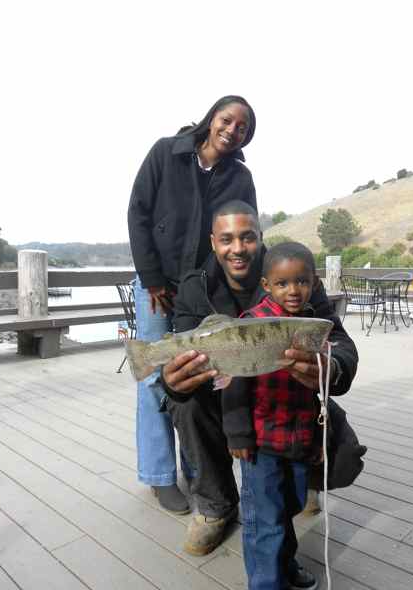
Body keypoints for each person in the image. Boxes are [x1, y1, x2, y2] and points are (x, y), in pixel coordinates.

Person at [161, 201, 359, 560]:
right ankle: (216, 504)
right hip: (222, 394)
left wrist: (334, 369)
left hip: (288, 399)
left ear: (260, 238)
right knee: (180, 403)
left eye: (247, 237)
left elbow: (340, 340)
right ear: (213, 242)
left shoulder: (294, 272)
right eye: (227, 239)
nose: (237, 249)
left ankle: (305, 479)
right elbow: (182, 355)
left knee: (341, 456)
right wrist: (172, 380)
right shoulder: (193, 287)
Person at [128, 96, 257, 513]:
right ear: (211, 119)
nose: (232, 129)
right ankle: (159, 476)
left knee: (195, 376)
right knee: (153, 378)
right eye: (227, 119)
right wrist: (150, 278)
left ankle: (198, 473)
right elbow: (138, 212)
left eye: (242, 126)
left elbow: (243, 229)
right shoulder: (167, 151)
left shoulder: (240, 176)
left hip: (201, 291)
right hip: (156, 286)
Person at [224, 241, 333, 590]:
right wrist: (238, 434)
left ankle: (285, 565)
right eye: (283, 283)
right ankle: (266, 583)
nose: (293, 290)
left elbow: (315, 392)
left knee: (291, 507)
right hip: (260, 442)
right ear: (266, 285)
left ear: (314, 282)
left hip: (299, 437)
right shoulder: (251, 323)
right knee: (264, 520)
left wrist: (318, 440)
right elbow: (235, 381)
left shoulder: (314, 325)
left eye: (301, 281)